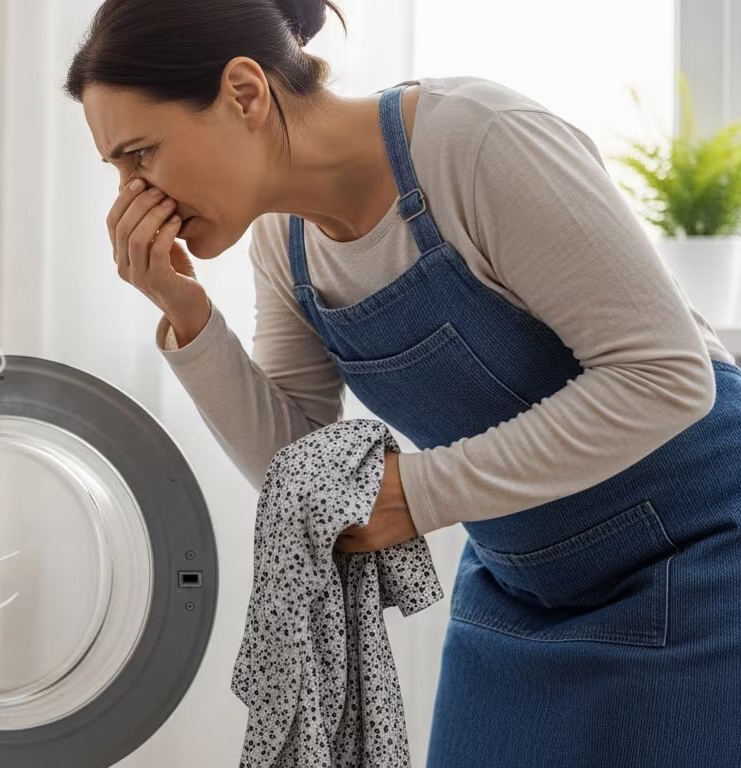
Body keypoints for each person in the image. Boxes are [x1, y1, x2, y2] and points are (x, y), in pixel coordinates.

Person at [64, 0, 741, 765]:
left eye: (141, 155)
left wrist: (419, 493)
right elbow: (311, 471)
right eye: (118, 171)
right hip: (523, 588)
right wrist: (189, 318)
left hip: (701, 560)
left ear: (245, 93)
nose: (130, 199)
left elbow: (666, 378)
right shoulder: (282, 245)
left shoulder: (476, 141)